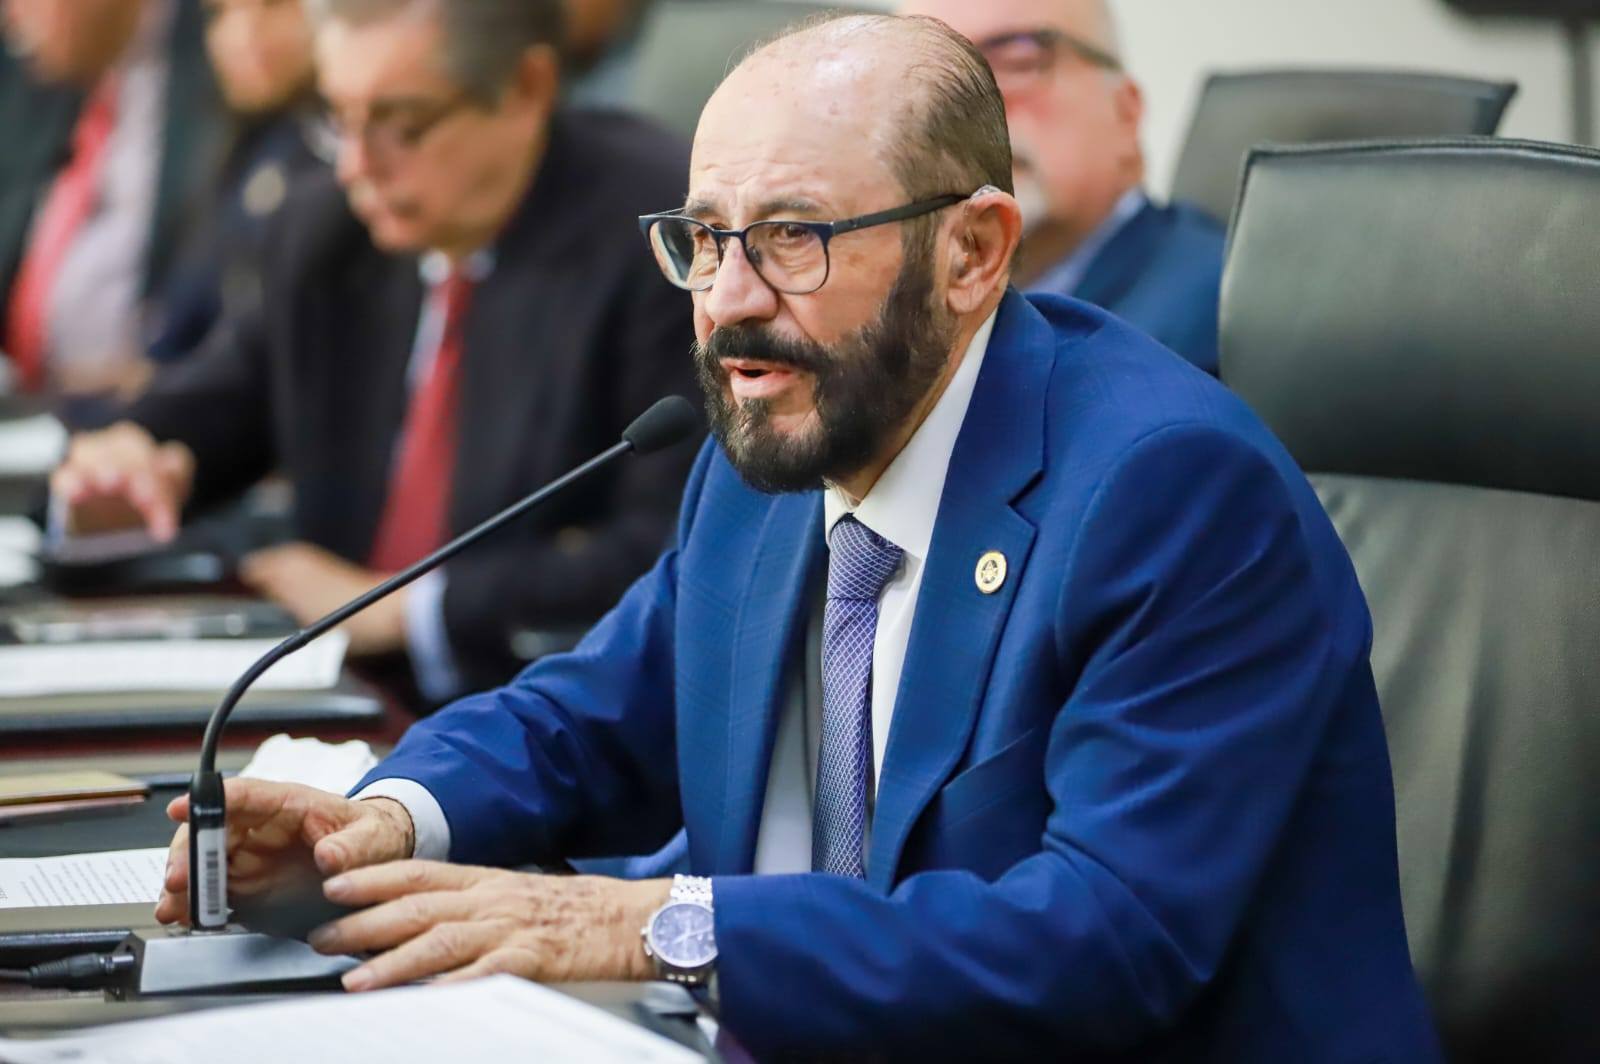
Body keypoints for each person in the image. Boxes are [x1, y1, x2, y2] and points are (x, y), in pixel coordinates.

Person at [153, 13, 1440, 1060]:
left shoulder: (1169, 490)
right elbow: (592, 715)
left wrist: (652, 925)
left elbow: (1103, 938)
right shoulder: (768, 451)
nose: (728, 303)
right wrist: (383, 823)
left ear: (972, 252)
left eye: (789, 237)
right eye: (705, 239)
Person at [49, 0, 697, 703]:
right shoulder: (326, 228)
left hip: (548, 706)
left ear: (526, 87)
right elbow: (224, 397)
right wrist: (128, 461)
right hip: (334, 698)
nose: (356, 166)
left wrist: (409, 608)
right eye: (339, 120)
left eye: (402, 125)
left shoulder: (654, 238)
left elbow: (671, 542)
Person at [901, 0, 1226, 375]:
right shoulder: (896, 323)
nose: (964, 112)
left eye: (1018, 60)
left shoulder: (1223, 315)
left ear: (1125, 111)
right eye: (929, 82)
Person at [0, 0, 224, 408]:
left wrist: (161, 379)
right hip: (28, 402)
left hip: (151, 406)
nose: (11, 17)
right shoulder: (51, 66)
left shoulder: (220, 48)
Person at [146, 0, 328, 368]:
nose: (243, 37)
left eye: (273, 5)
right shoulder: (240, 148)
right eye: (220, 13)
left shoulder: (332, 160)